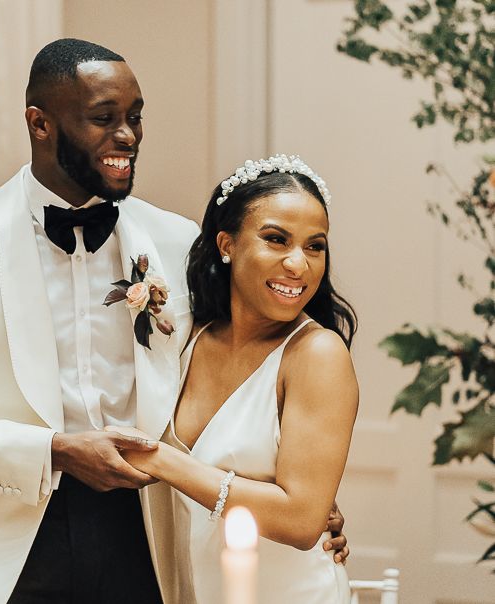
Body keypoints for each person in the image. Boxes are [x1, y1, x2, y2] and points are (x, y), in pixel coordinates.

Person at [0, 38, 348, 604]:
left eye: (134, 117)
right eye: (104, 119)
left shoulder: (180, 243)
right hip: (11, 545)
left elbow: (246, 368)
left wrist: (302, 495)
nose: (127, 136)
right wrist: (52, 450)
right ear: (40, 123)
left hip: (151, 535)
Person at [111, 155, 358, 603]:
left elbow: (303, 522)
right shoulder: (187, 337)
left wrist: (162, 461)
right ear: (226, 244)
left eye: (315, 245)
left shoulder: (317, 354)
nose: (298, 265)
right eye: (276, 239)